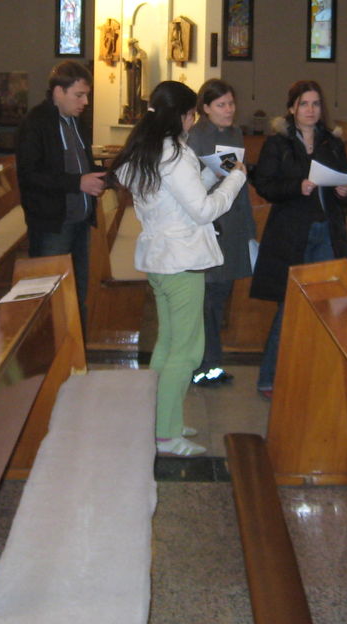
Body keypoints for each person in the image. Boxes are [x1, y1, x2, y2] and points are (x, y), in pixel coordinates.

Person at [113, 81, 246, 457]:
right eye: (191, 115)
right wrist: (236, 177)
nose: (193, 121)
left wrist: (212, 175)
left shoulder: (147, 148)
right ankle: (167, 435)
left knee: (168, 344)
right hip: (182, 261)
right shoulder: (174, 153)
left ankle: (160, 420)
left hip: (161, 260)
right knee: (187, 351)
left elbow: (175, 195)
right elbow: (203, 210)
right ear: (183, 116)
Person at [251, 81, 347, 396]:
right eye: (304, 104)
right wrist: (297, 186)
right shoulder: (278, 143)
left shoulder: (331, 142)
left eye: (316, 104)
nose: (311, 110)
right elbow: (265, 184)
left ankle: (322, 375)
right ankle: (270, 377)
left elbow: (346, 180)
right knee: (291, 305)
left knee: (332, 303)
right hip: (292, 233)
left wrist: (345, 191)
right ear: (292, 108)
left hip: (326, 230)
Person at [16, 61, 105, 318]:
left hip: (80, 220)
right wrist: (78, 183)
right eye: (79, 95)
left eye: (86, 95)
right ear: (58, 91)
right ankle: (49, 345)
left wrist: (103, 177)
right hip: (52, 224)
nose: (85, 101)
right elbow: (30, 175)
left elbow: (81, 165)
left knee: (77, 294)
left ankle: (76, 344)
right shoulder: (35, 123)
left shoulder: (75, 121)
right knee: (49, 296)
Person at [186, 79, 255, 387]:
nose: (229, 110)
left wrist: (249, 227)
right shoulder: (195, 136)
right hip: (209, 222)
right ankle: (203, 364)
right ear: (205, 108)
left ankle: (212, 362)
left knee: (220, 297)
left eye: (231, 103)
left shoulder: (235, 133)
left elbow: (240, 181)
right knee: (207, 299)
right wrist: (213, 174)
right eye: (221, 105)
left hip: (234, 220)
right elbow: (190, 185)